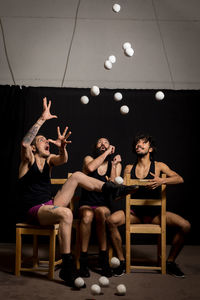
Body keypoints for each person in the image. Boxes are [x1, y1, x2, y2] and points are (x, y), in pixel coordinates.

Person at [18, 97, 138, 286]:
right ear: (34, 147)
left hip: (49, 204)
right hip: (34, 210)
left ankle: (112, 189)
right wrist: (42, 119)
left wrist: (63, 147)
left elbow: (63, 160)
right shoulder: (27, 161)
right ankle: (67, 267)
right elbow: (25, 144)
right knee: (66, 213)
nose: (44, 142)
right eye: (41, 140)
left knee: (75, 175)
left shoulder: (49, 161)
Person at [107, 133, 191, 277]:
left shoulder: (159, 166)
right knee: (110, 221)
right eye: (137, 143)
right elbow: (119, 191)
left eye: (143, 143)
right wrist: (118, 185)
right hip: (135, 214)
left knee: (186, 225)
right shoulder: (128, 168)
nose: (138, 145)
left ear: (150, 149)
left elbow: (179, 179)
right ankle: (121, 261)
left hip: (156, 215)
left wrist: (161, 181)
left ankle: (170, 262)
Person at [78, 137, 122, 277]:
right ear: (95, 147)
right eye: (100, 142)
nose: (103, 144)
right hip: (86, 203)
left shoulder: (114, 163)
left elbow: (114, 186)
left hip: (103, 205)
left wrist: (114, 165)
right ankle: (83, 260)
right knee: (87, 216)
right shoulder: (88, 159)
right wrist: (108, 152)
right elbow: (90, 168)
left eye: (106, 142)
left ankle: (103, 259)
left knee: (101, 213)